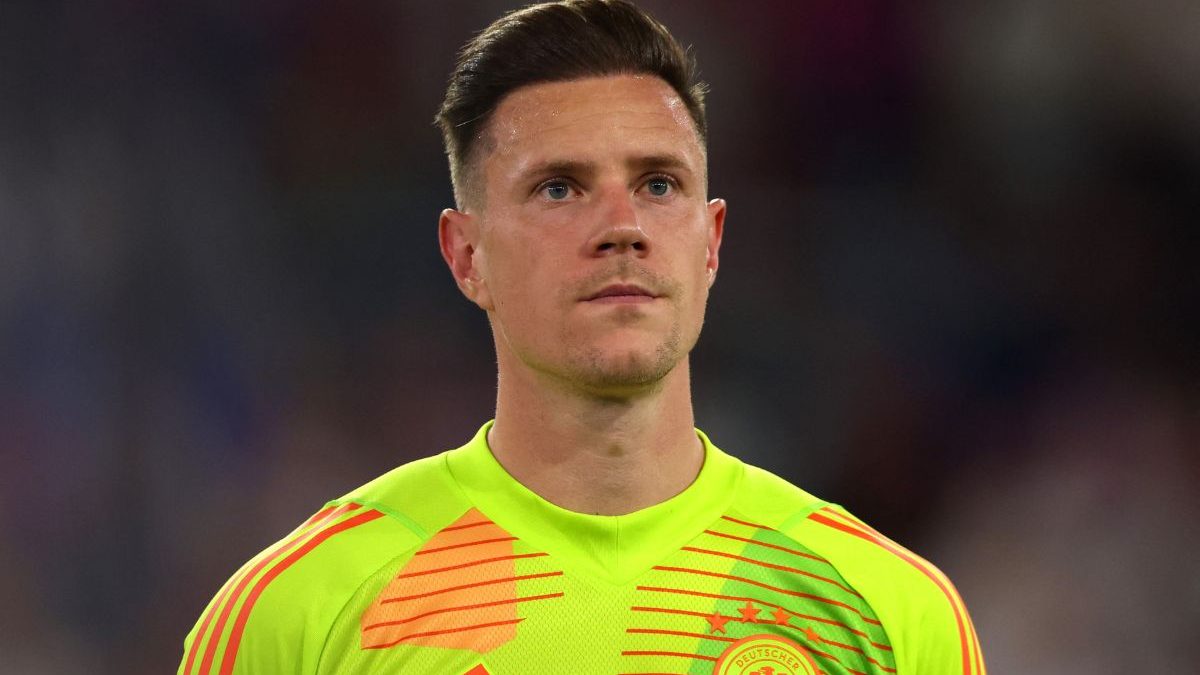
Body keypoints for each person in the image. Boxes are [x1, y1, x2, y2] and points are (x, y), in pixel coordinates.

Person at [178, 1, 986, 674]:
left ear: (711, 244)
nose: (623, 228)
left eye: (659, 184)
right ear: (467, 255)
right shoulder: (297, 615)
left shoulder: (889, 615)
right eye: (559, 187)